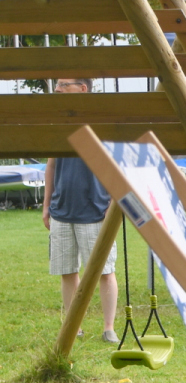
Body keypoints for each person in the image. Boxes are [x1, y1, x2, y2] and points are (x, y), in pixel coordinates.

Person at [43, 78, 119, 342]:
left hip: (96, 211)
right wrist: (46, 205)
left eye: (64, 84)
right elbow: (51, 165)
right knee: (67, 271)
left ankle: (108, 328)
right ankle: (74, 326)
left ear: (83, 88)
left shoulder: (101, 121)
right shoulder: (59, 122)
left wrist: (113, 203)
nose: (57, 89)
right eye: (57, 84)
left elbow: (116, 163)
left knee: (104, 271)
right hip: (61, 211)